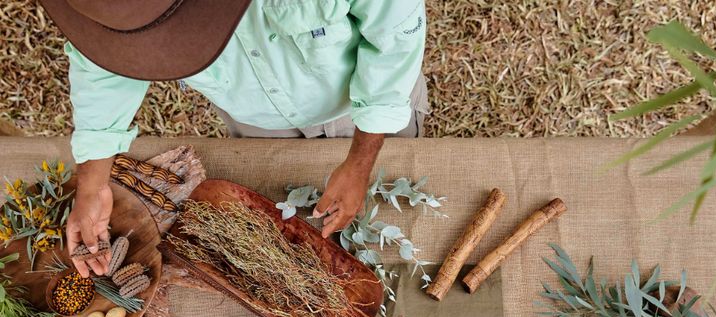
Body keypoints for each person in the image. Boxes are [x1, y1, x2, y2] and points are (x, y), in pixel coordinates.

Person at [40, 0, 428, 277]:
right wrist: (91, 185)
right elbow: (103, 70)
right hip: (259, 127)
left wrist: (360, 163)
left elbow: (394, 42)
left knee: (395, 219)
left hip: (366, 111)